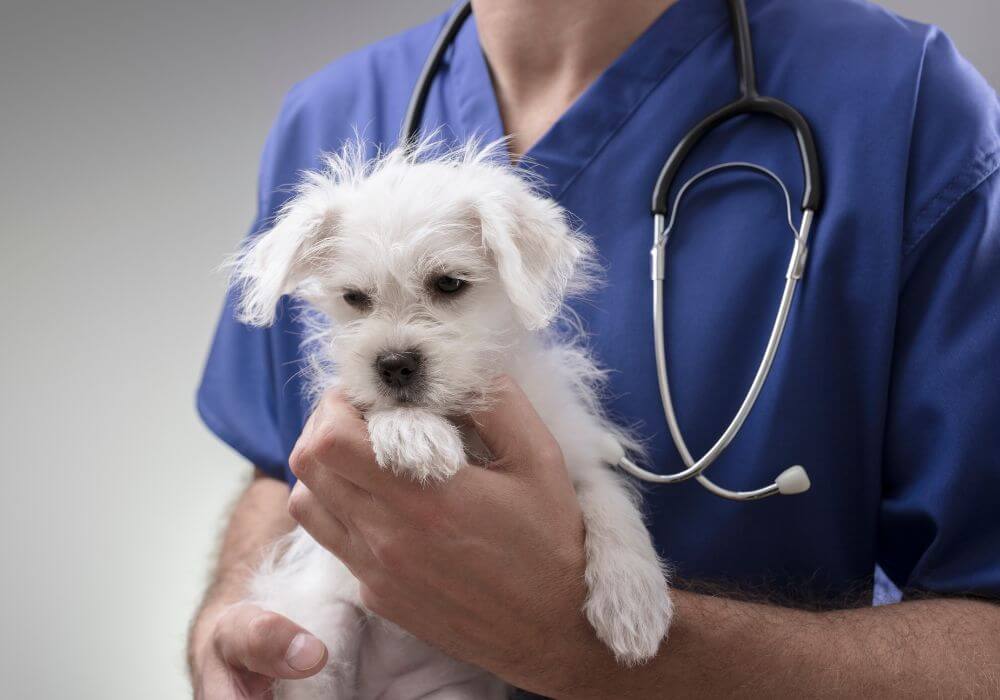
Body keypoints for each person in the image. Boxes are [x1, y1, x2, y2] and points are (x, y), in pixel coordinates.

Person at [189, 0, 1000, 696]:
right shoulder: (327, 115)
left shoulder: (905, 103)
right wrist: (233, 644)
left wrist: (583, 650)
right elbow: (281, 462)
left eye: (445, 288)